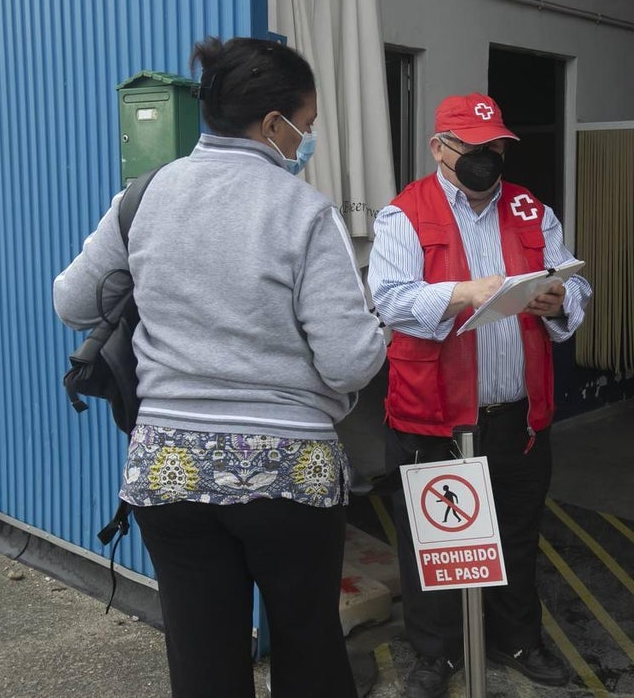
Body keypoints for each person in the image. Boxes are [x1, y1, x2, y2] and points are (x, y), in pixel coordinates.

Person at [53, 36, 386, 698]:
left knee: (203, 656)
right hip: (288, 471)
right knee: (308, 643)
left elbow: (73, 302)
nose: (305, 140)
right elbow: (349, 360)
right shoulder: (304, 211)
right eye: (306, 127)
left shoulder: (145, 196)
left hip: (168, 467)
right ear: (272, 126)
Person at [367, 92, 591, 697]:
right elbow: (388, 299)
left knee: (518, 533)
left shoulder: (530, 210)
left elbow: (574, 281)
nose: (487, 158)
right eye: (472, 147)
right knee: (434, 542)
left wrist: (559, 299)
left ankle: (516, 639)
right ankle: (435, 656)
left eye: (496, 147)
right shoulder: (403, 215)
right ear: (440, 149)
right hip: (434, 416)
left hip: (516, 415)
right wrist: (460, 293)